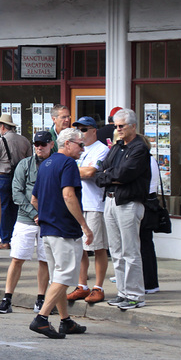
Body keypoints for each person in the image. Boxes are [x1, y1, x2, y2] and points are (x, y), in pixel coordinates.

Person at [29, 128, 92, 339]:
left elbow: (34, 199)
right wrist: (84, 224)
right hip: (64, 230)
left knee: (58, 277)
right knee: (64, 276)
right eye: (80, 144)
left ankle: (65, 321)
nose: (83, 149)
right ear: (67, 144)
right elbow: (68, 195)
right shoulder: (68, 164)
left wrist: (45, 215)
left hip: (48, 229)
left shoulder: (46, 164)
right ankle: (42, 318)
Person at [95, 108, 151, 310]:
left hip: (128, 202)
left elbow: (125, 174)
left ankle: (135, 294)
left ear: (133, 126)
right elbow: (100, 170)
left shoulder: (139, 148)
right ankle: (122, 292)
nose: (117, 130)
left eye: (121, 126)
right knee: (116, 251)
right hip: (110, 200)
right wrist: (109, 175)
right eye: (116, 126)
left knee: (130, 251)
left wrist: (109, 175)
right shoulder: (117, 147)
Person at [0, 131, 53, 315]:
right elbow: (17, 193)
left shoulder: (56, 164)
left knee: (45, 260)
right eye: (36, 144)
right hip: (26, 219)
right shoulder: (24, 164)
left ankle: (41, 299)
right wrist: (35, 214)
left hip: (49, 220)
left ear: (51, 144)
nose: (39, 147)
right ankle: (7, 298)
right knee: (17, 258)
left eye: (43, 144)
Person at [68, 116, 111, 305]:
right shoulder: (79, 149)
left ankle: (98, 287)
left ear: (94, 130)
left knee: (98, 246)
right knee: (80, 247)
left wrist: (68, 170)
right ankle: (82, 284)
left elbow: (89, 173)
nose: (81, 133)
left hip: (94, 204)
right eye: (78, 129)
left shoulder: (101, 149)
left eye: (84, 129)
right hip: (78, 203)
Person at [0, 113, 32, 249]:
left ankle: (5, 240)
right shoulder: (24, 140)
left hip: (3, 177)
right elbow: (30, 160)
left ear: (2, 127)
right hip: (20, 178)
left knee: (4, 209)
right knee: (16, 208)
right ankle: (15, 238)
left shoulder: (1, 141)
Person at [141, 153, 162, 294]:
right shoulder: (151, 159)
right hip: (149, 202)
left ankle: (149, 282)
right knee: (146, 244)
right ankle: (150, 282)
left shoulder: (145, 159)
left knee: (143, 244)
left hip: (145, 202)